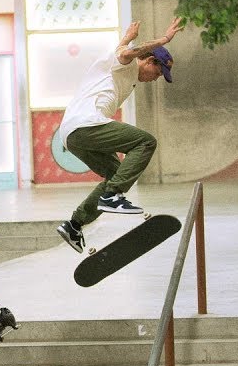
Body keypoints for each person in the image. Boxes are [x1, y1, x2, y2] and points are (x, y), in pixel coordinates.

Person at [55, 17, 185, 252]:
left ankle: (74, 225)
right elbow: (129, 52)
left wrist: (126, 37)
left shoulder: (121, 68)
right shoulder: (127, 63)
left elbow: (122, 49)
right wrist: (164, 39)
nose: (156, 78)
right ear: (149, 60)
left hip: (73, 135)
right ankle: (112, 196)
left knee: (116, 174)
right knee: (145, 142)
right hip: (86, 124)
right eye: (158, 72)